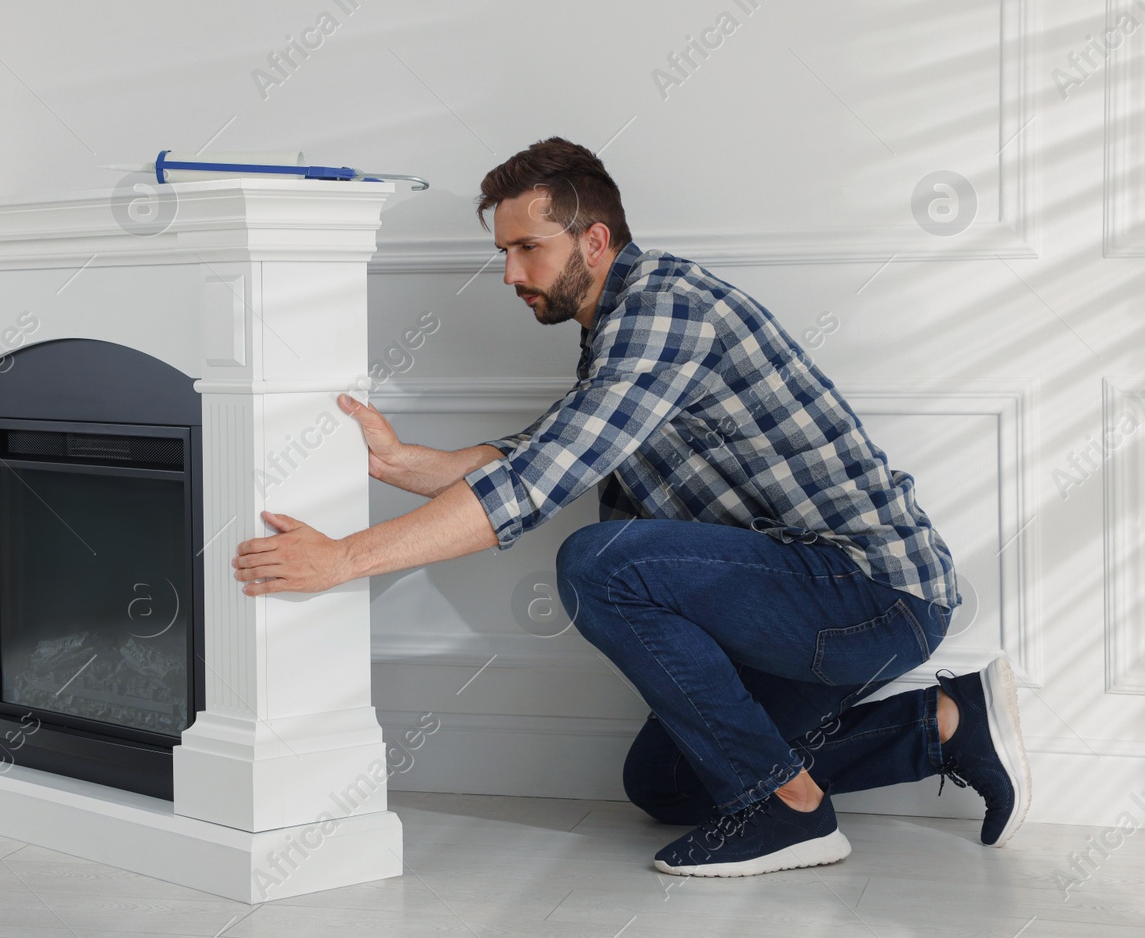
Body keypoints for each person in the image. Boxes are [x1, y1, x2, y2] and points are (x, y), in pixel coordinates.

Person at [231, 136, 1031, 877]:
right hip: (823, 600)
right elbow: (547, 446)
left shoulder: (665, 311)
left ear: (595, 240)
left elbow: (541, 477)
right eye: (503, 251)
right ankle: (948, 722)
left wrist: (343, 558)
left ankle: (794, 816)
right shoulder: (620, 324)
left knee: (597, 562)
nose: (510, 274)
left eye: (525, 248)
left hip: (869, 594)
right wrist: (404, 461)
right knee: (667, 782)